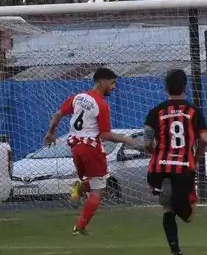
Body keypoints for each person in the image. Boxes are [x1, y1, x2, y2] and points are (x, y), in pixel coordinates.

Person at [45, 67, 138, 235]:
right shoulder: (101, 105)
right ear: (102, 82)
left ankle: (78, 188)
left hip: (75, 149)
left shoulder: (78, 98)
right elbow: (105, 134)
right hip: (91, 149)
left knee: (91, 184)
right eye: (112, 83)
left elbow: (58, 114)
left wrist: (51, 133)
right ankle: (79, 227)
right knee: (98, 189)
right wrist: (126, 139)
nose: (114, 87)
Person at [144, 69, 207, 255]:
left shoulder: (156, 111)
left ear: (165, 88)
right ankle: (171, 192)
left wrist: (155, 153)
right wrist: (196, 157)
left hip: (158, 169)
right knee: (188, 216)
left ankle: (175, 253)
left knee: (168, 208)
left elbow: (147, 142)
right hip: (183, 168)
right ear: (186, 88)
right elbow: (205, 138)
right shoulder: (192, 111)